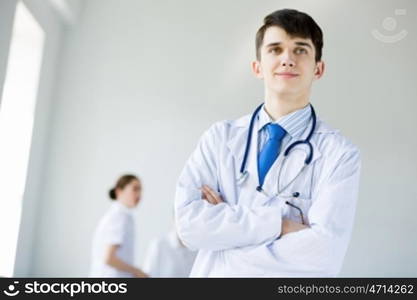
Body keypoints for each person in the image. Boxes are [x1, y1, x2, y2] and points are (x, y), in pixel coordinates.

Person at [174, 9, 361, 277]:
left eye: (300, 50)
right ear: (257, 67)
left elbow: (323, 256)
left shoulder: (340, 155)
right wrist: (280, 224)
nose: (287, 59)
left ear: (318, 68)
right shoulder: (219, 138)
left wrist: (224, 237)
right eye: (275, 49)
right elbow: (189, 227)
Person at [89, 174, 148, 277]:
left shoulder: (120, 216)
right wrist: (137, 271)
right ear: (119, 192)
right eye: (135, 189)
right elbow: (109, 258)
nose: (139, 194)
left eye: (140, 190)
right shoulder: (119, 217)